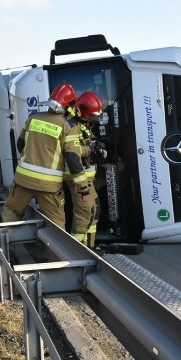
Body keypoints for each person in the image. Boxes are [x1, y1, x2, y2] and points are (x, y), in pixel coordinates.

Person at [1, 84, 90, 229]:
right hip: (49, 186)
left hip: (23, 181)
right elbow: (73, 160)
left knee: (11, 212)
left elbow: (20, 145)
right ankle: (53, 250)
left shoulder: (32, 119)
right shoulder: (67, 127)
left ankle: (8, 247)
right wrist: (83, 188)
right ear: (69, 105)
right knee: (57, 227)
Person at [67, 92, 107, 246]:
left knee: (94, 212)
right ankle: (78, 252)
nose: (92, 119)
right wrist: (91, 149)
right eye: (91, 115)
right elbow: (72, 153)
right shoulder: (71, 126)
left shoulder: (81, 124)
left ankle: (90, 247)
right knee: (84, 215)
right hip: (79, 179)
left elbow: (87, 142)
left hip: (87, 178)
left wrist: (97, 146)